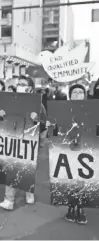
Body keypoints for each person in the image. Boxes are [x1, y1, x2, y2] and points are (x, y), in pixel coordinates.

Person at [0, 75, 47, 210]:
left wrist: (37, 120)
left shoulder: (39, 105)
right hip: (13, 138)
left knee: (28, 167)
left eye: (23, 83)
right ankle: (9, 199)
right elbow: (3, 122)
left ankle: (29, 192)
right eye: (18, 83)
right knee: (11, 167)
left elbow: (45, 124)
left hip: (30, 141)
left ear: (30, 88)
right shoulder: (10, 102)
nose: (19, 85)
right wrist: (2, 115)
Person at [48, 83, 87, 225]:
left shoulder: (93, 110)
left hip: (86, 151)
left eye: (80, 92)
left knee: (83, 180)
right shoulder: (63, 110)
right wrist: (50, 125)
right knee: (70, 179)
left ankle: (81, 207)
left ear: (85, 94)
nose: (77, 94)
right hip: (67, 150)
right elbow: (55, 129)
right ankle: (71, 206)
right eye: (74, 92)